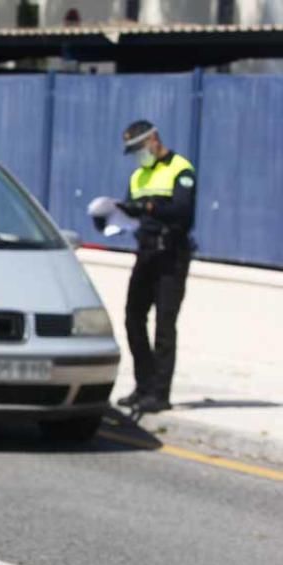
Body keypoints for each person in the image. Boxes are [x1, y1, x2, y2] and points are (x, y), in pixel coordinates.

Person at [109, 120, 196, 413]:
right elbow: (129, 211)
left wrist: (149, 207)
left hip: (172, 256)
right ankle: (143, 385)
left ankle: (159, 394)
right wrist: (112, 216)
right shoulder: (137, 177)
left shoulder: (180, 168)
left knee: (164, 325)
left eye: (138, 148)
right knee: (133, 317)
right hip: (145, 253)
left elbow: (183, 213)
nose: (137, 154)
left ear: (153, 140)